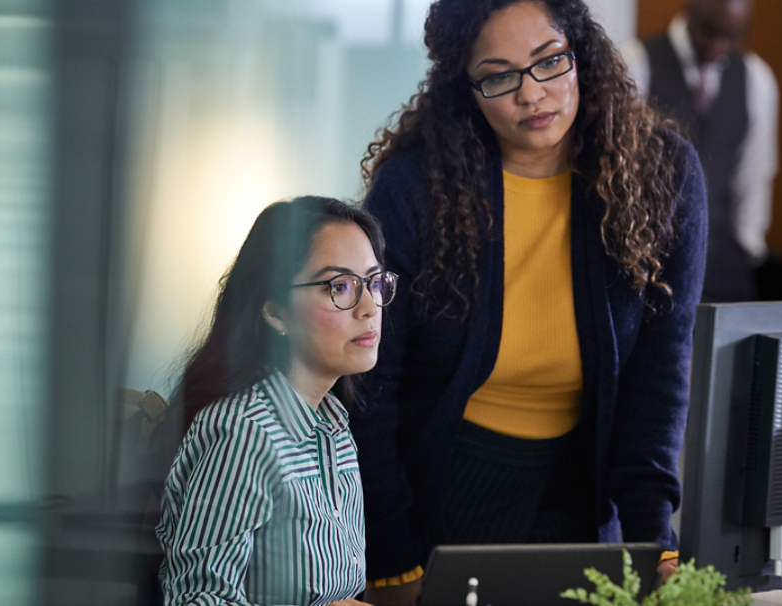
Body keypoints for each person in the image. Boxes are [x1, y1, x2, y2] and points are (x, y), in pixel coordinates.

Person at [350, 1, 708, 604]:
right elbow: (372, 385)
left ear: (582, 52)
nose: (531, 94)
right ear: (465, 87)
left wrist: (656, 547)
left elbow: (659, 383)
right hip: (446, 490)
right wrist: (391, 560)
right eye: (499, 75)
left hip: (584, 494)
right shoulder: (414, 189)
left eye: (549, 63)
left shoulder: (662, 175)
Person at [156, 196, 398, 606]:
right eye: (339, 287)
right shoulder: (244, 433)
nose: (370, 307)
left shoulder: (333, 425)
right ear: (275, 312)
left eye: (374, 282)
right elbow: (198, 599)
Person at [623, 0, 778, 302]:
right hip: (653, 261)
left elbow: (756, 169)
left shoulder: (756, 77)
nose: (719, 44)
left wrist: (747, 245)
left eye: (732, 34)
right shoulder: (637, 62)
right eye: (710, 31)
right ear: (691, 10)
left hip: (723, 266)